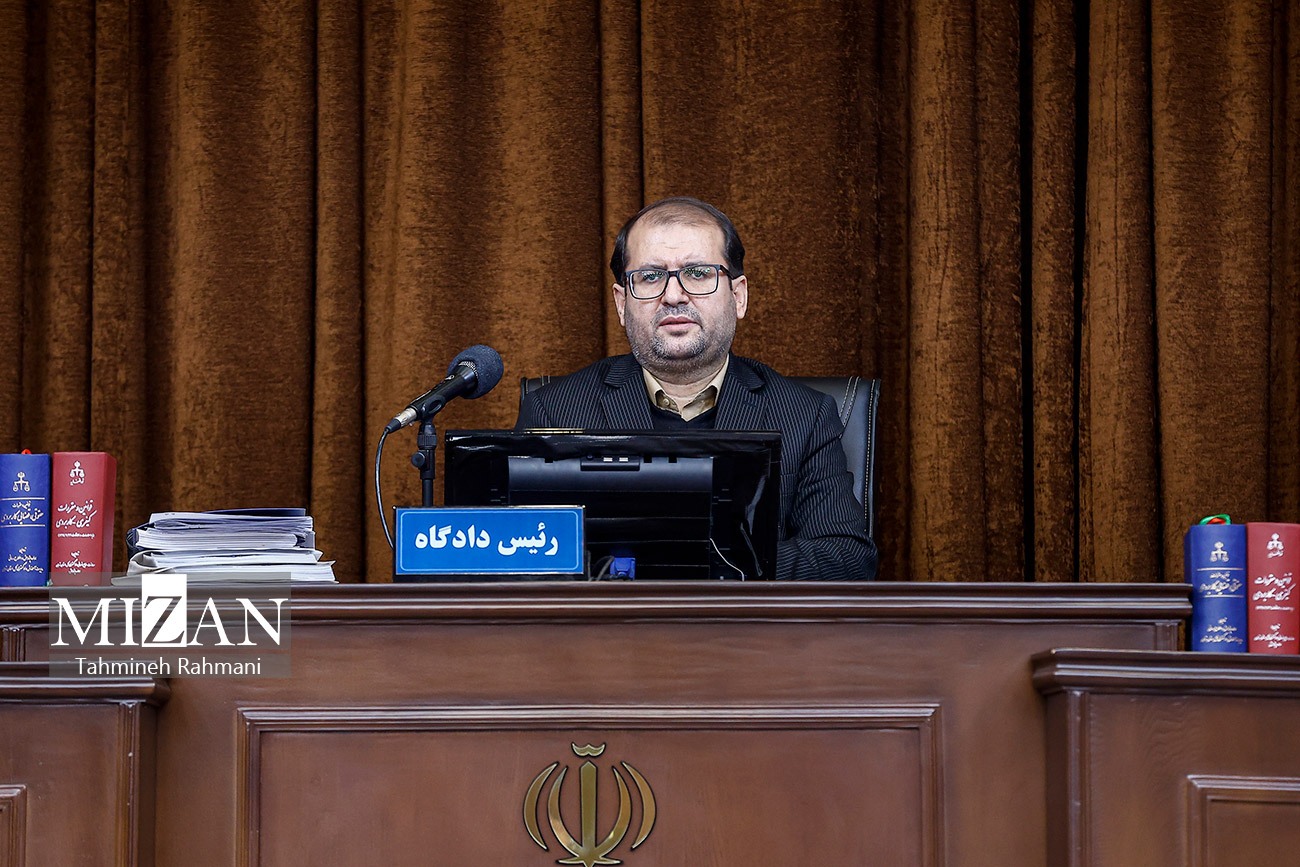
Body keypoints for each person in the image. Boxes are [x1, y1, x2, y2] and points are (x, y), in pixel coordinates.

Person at [516, 197, 876, 581]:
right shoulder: (553, 411)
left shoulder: (805, 416)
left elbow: (846, 559)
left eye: (699, 273)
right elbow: (517, 559)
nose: (673, 295)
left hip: (743, 621)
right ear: (622, 303)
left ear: (738, 296)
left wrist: (705, 560)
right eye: (650, 277)